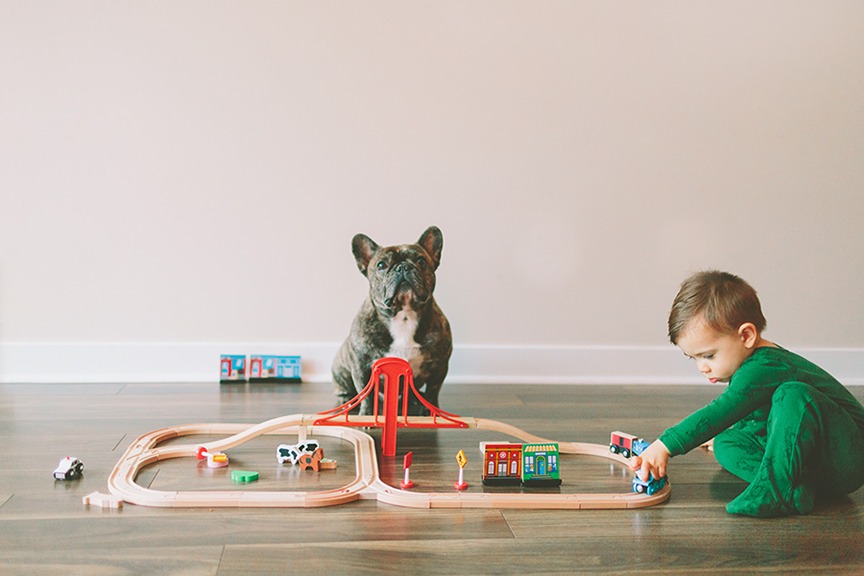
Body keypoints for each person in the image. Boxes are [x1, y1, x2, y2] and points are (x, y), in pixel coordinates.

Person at [632, 270, 864, 517]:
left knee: (793, 394)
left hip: (848, 457)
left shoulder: (766, 365)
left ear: (746, 335)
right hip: (813, 464)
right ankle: (795, 488)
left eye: (708, 355)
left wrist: (665, 445)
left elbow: (722, 410)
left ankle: (777, 491)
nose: (702, 367)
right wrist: (721, 434)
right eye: (694, 358)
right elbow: (749, 413)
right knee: (726, 441)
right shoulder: (747, 369)